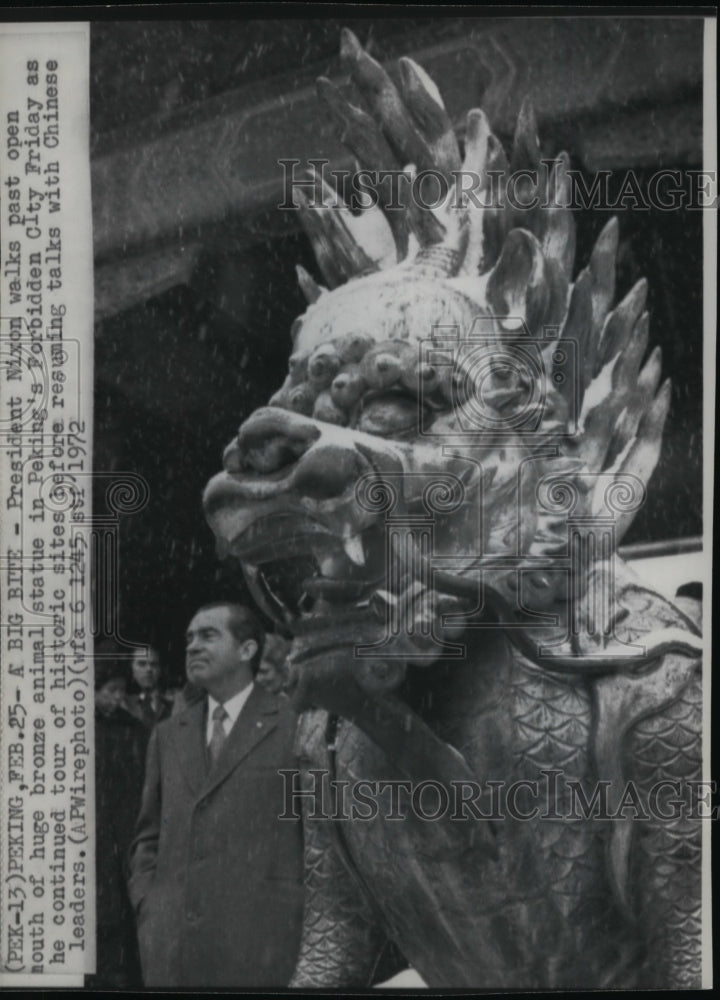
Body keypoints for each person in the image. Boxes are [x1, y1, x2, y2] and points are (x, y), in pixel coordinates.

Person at [128, 602, 304, 988]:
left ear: (247, 650)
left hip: (261, 952)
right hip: (172, 953)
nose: (192, 646)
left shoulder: (295, 726)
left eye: (208, 635)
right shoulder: (167, 734)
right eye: (189, 638)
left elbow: (315, 841)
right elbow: (148, 836)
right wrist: (150, 905)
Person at [92, 657, 149, 988]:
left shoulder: (134, 730)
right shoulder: (75, 728)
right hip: (95, 836)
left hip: (124, 832)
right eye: (110, 691)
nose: (117, 698)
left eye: (121, 691)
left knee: (124, 914)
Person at [124, 645, 174, 729]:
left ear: (160, 670)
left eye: (154, 664)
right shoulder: (122, 702)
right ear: (131, 668)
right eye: (142, 664)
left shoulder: (172, 701)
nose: (149, 669)